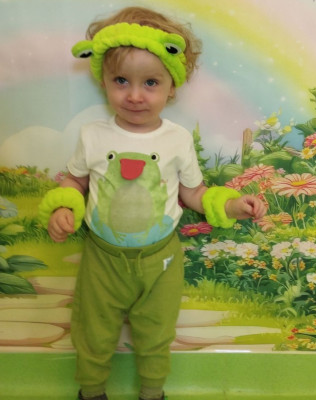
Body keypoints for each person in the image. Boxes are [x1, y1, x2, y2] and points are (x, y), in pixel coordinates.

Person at [38, 6, 266, 400]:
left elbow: (193, 194)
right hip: (103, 260)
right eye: (121, 81)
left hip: (160, 261)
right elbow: (75, 181)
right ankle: (91, 392)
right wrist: (64, 206)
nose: (134, 95)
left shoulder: (176, 140)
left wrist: (230, 206)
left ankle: (153, 392)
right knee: (92, 331)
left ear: (171, 86)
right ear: (104, 80)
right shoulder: (93, 135)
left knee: (156, 333)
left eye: (150, 82)